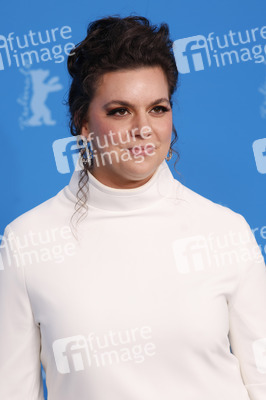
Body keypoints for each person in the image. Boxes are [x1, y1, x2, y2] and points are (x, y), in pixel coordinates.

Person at [0, 14, 266, 400]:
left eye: (158, 108)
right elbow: (11, 389)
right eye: (120, 111)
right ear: (83, 122)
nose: (143, 128)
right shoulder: (27, 241)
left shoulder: (225, 231)